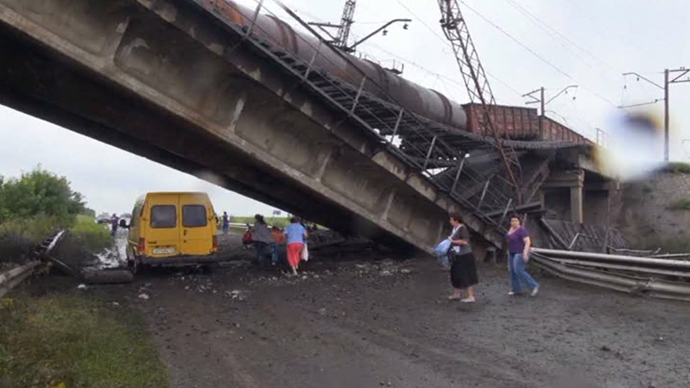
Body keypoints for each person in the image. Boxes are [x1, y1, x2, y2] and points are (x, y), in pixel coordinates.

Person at [447, 213, 478, 303]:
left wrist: (452, 241)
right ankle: (457, 293)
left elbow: (465, 241)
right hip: (457, 255)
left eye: (451, 220)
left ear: (456, 220)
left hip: (465, 255)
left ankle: (470, 296)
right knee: (456, 274)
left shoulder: (462, 228)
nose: (450, 221)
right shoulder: (455, 229)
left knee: (466, 275)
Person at [507, 215, 539, 296]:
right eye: (512, 221)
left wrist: (525, 253)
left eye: (515, 221)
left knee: (518, 269)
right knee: (512, 271)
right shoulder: (510, 230)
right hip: (511, 252)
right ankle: (516, 289)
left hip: (520, 252)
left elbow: (528, 242)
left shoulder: (522, 230)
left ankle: (534, 285)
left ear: (519, 222)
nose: (514, 222)